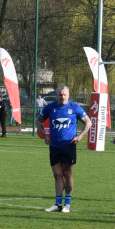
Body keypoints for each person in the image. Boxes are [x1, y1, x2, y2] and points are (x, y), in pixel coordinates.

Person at [36, 84, 91, 213]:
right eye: (60, 95)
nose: (62, 97)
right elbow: (39, 121)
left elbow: (88, 122)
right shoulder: (50, 107)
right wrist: (45, 136)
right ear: (57, 95)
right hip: (54, 146)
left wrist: (80, 136)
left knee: (67, 174)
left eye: (64, 94)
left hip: (68, 146)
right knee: (57, 174)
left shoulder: (74, 107)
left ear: (68, 95)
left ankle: (67, 205)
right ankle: (57, 204)